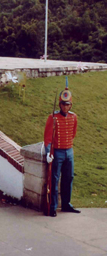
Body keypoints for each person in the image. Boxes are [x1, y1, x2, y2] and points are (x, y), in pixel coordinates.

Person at [44, 83, 80, 217]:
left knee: (68, 178)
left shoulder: (73, 117)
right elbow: (48, 138)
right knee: (54, 179)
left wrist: (68, 147)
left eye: (68, 104)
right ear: (60, 104)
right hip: (57, 152)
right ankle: (52, 206)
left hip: (69, 151)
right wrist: (48, 152)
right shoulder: (52, 117)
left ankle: (66, 204)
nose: (66, 106)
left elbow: (73, 133)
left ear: (71, 105)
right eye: (64, 104)